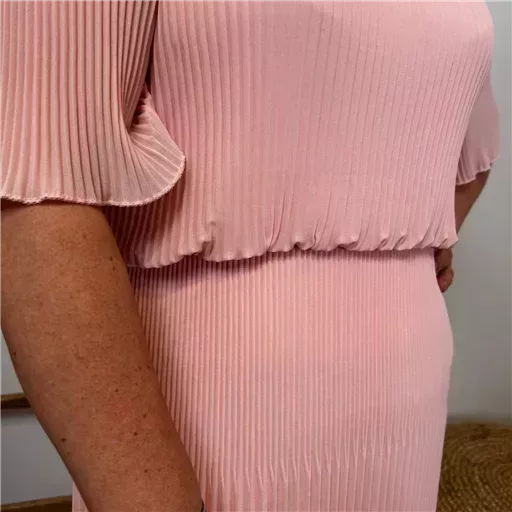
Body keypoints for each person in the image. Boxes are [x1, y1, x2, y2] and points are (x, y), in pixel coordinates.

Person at [0, 1, 499, 511]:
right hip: (208, 424)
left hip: (406, 412)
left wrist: (405, 226)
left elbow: (468, 153)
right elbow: (35, 193)